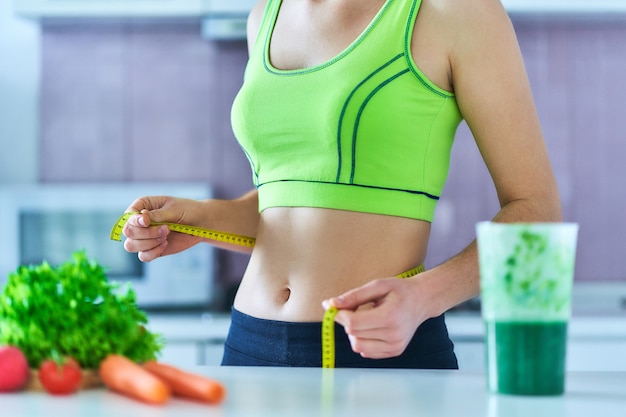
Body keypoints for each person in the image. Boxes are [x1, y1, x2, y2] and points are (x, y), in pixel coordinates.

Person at [122, 0, 561, 368]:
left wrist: (425, 298)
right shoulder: (266, 16)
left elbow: (537, 210)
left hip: (380, 345)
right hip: (249, 343)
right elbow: (300, 208)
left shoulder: (455, 11)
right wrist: (198, 218)